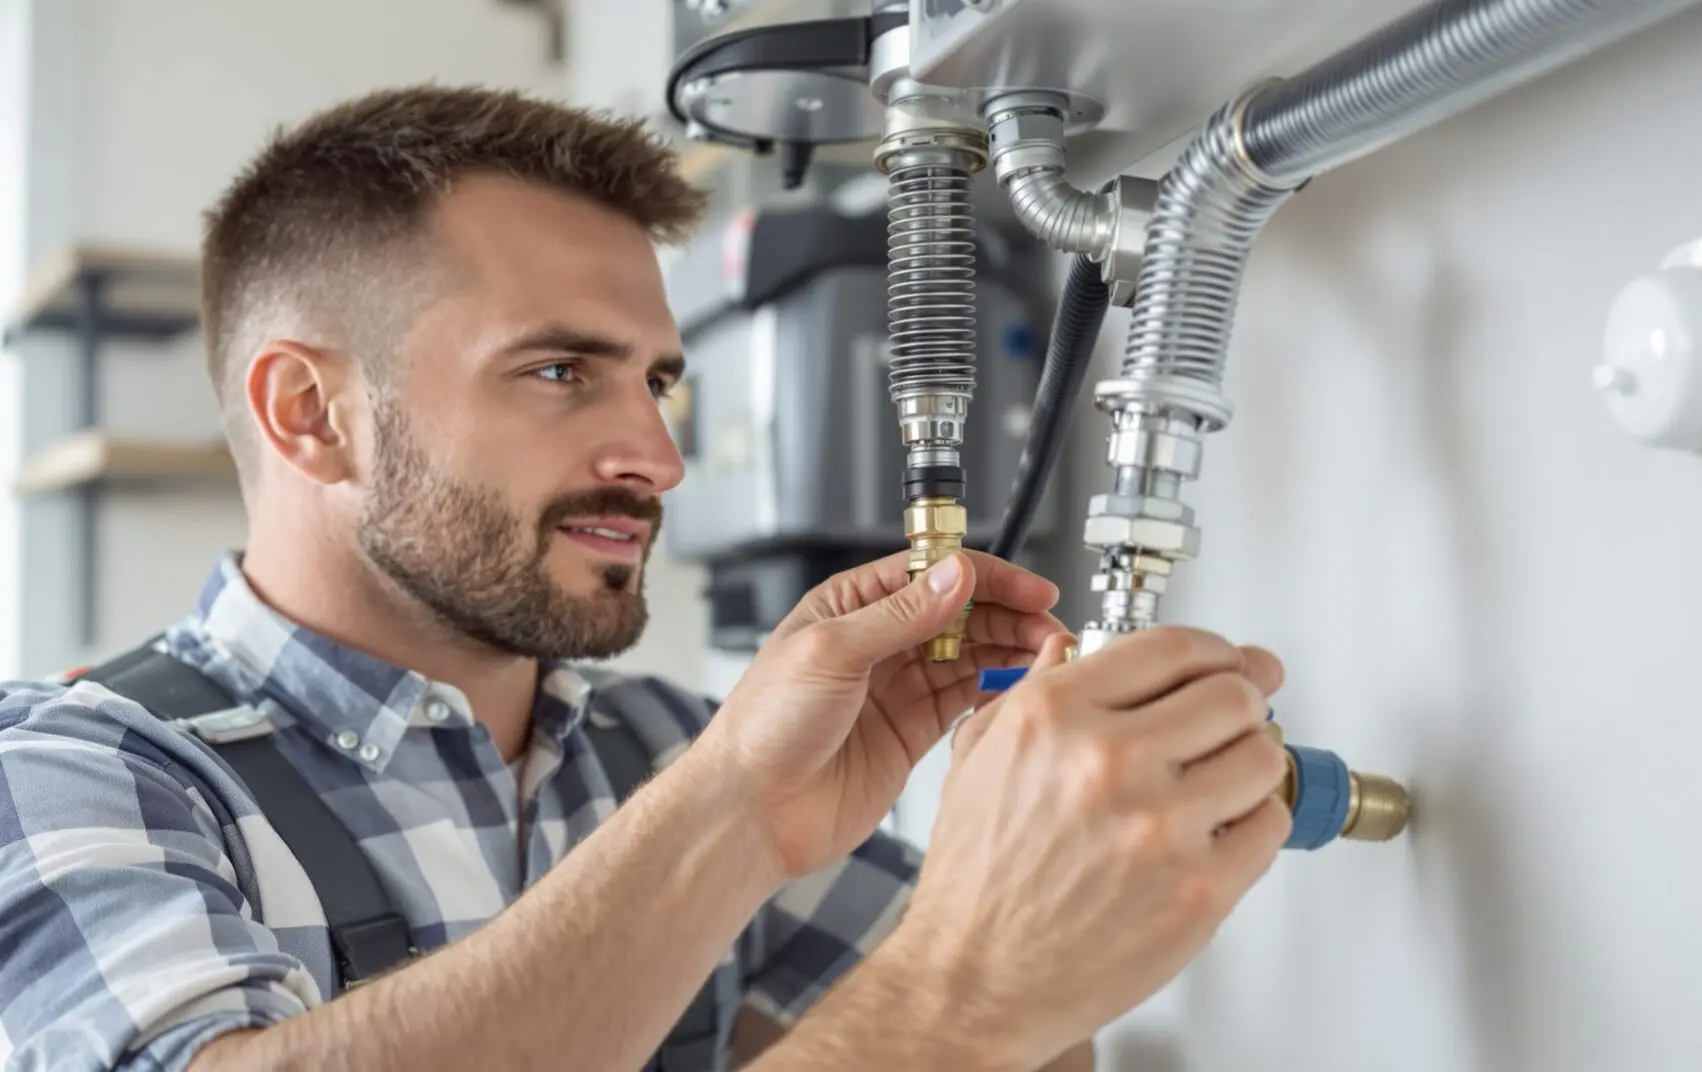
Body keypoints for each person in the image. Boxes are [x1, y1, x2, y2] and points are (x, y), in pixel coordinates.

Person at [0, 86, 1293, 1072]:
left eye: (658, 380)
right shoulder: (72, 776)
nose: (659, 459)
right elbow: (973, 1003)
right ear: (311, 413)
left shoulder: (672, 753)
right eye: (560, 372)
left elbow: (1044, 1034)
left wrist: (1016, 857)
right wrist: (950, 993)